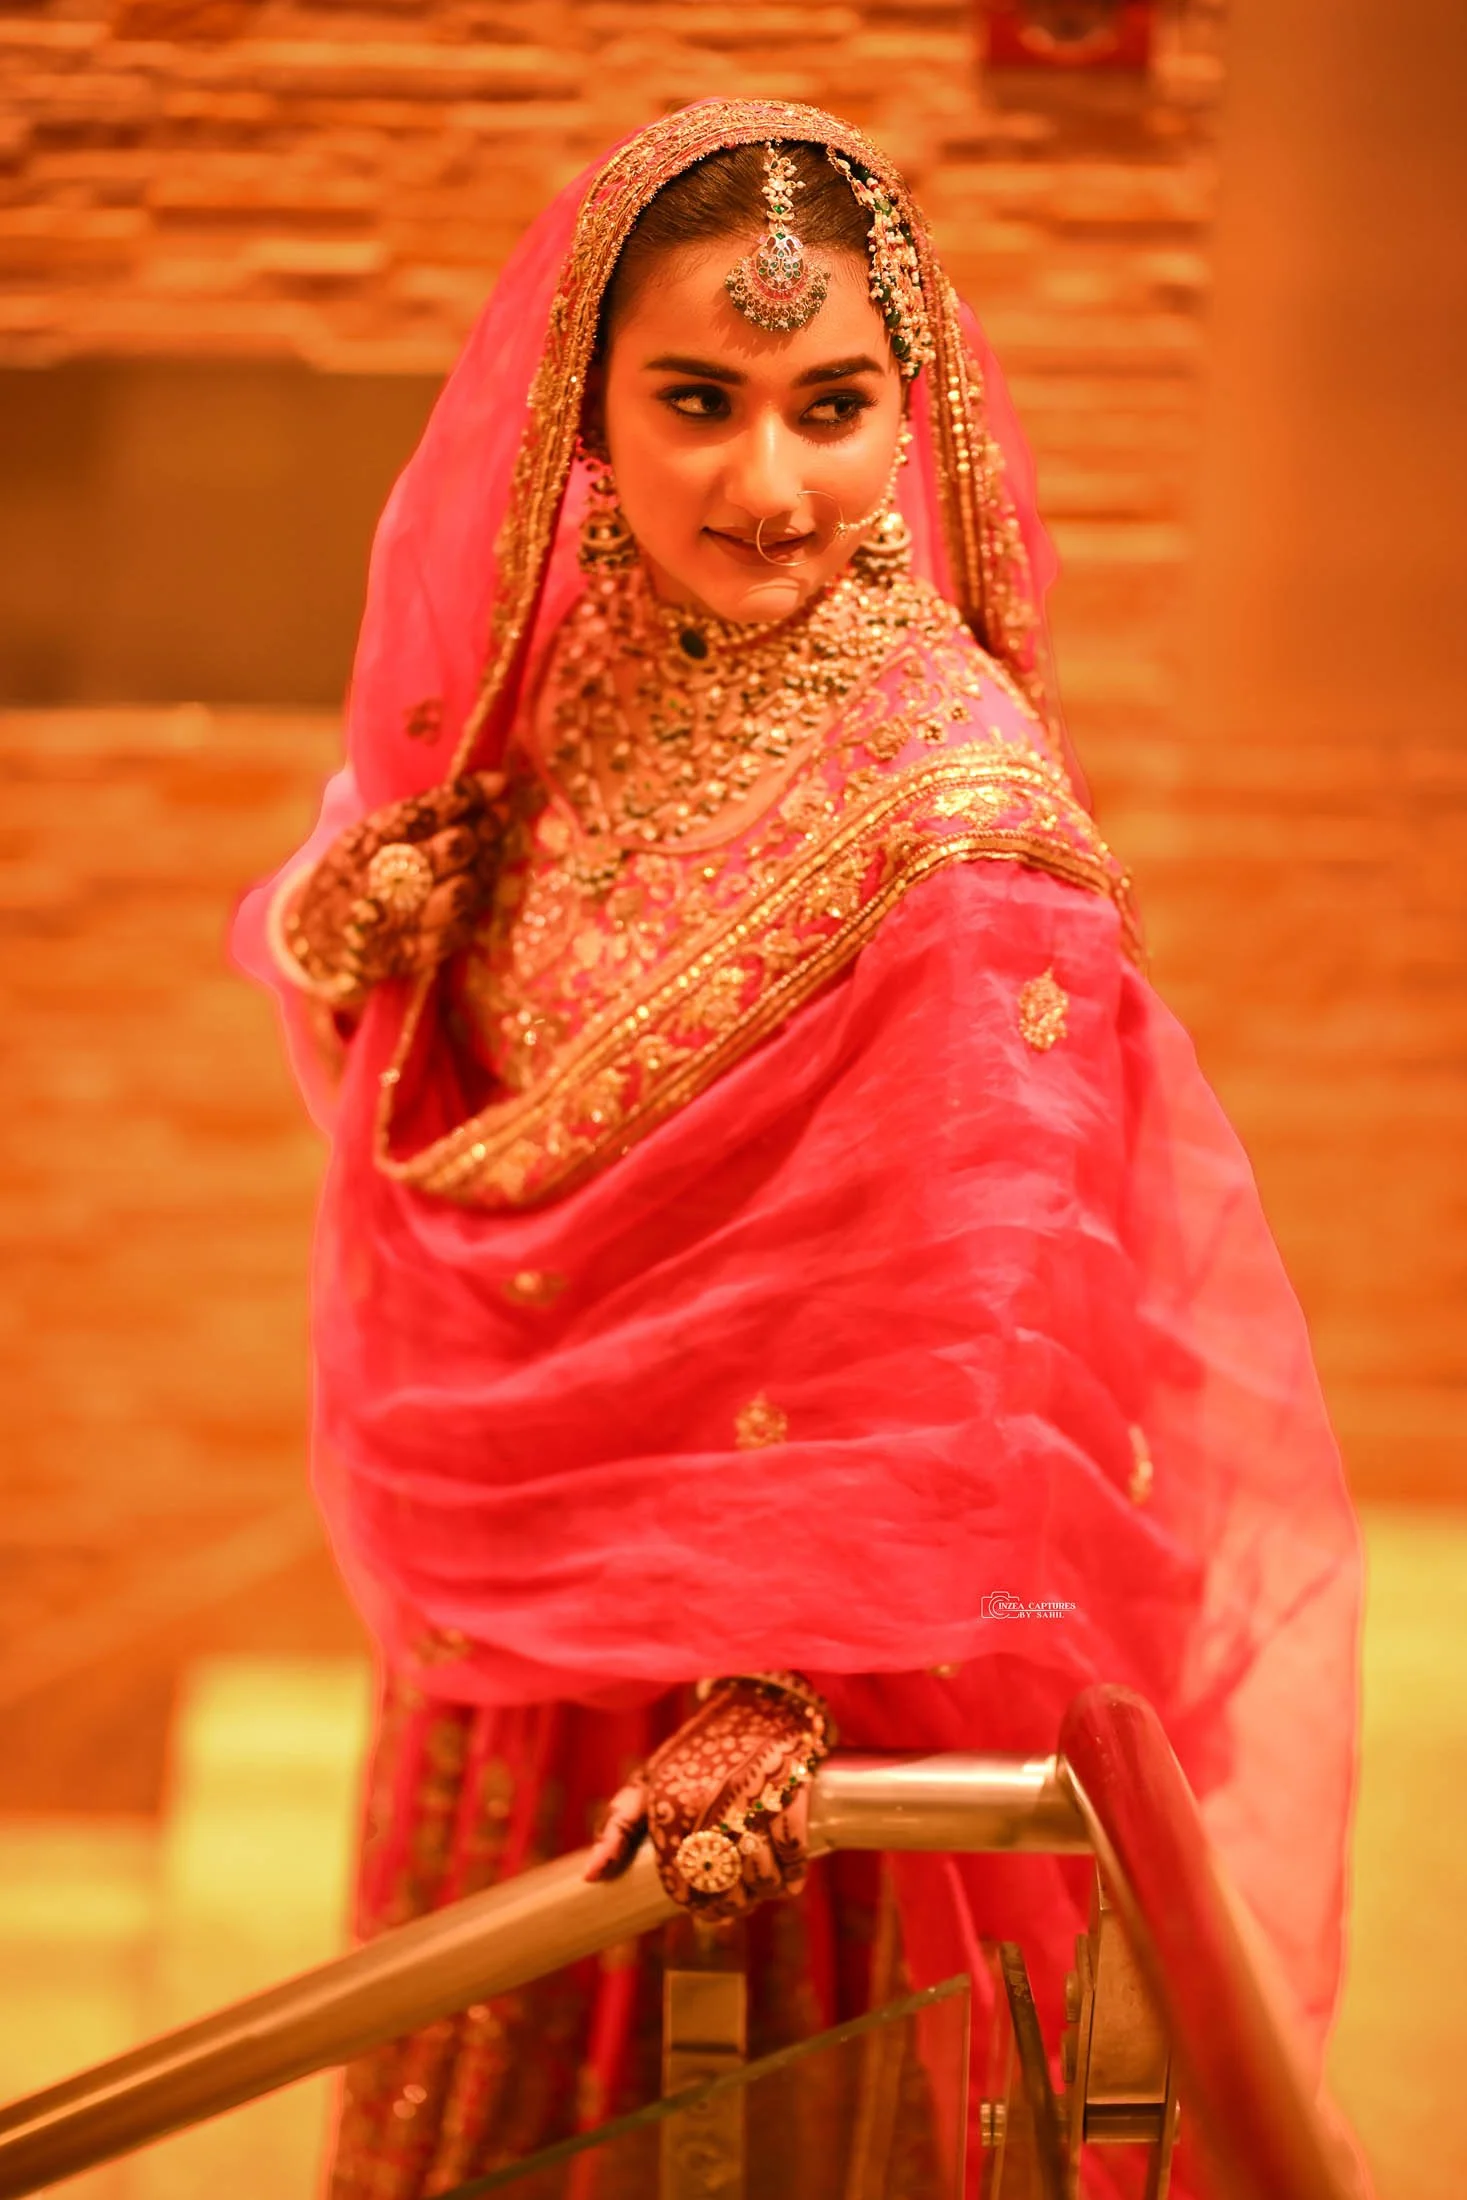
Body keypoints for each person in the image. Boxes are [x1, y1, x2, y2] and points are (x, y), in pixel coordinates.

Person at [234, 98, 1362, 2198]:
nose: (769, 486)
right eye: (699, 402)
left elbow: (979, 1314)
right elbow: (421, 962)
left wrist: (760, 1679)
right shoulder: (560, 655)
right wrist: (351, 918)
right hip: (521, 1637)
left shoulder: (957, 819)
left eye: (832, 405)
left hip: (792, 1718)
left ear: (907, 407)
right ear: (589, 412)